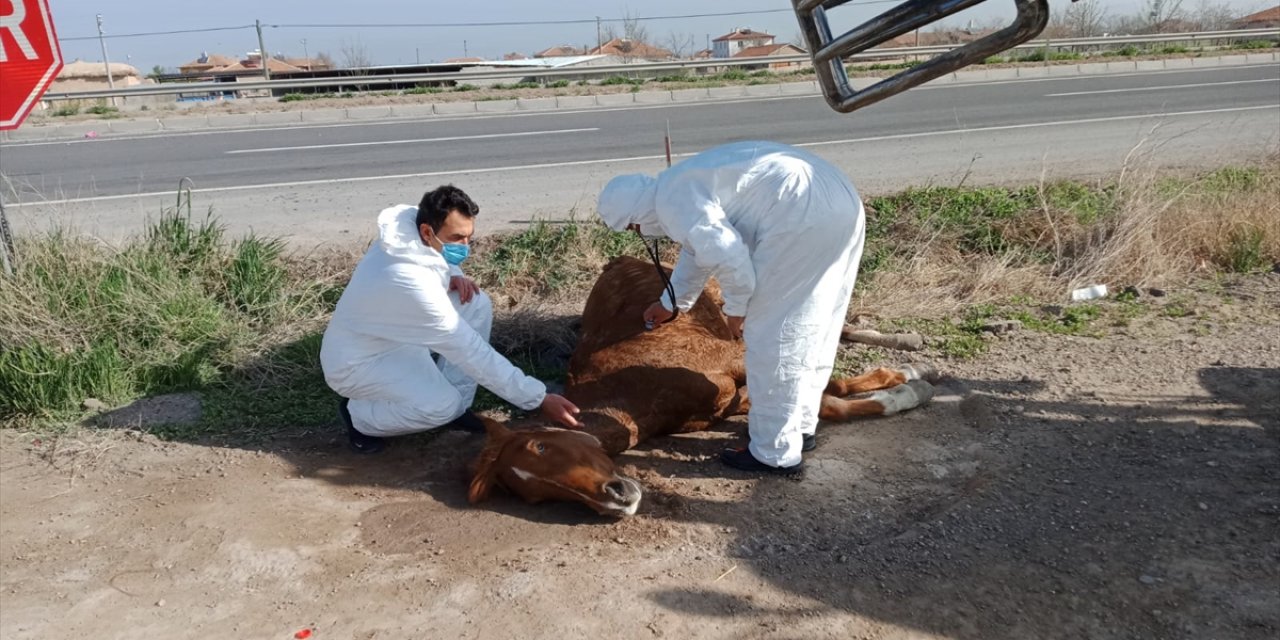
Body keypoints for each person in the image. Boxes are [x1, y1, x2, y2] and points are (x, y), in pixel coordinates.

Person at [596, 141, 865, 475]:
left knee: (774, 338)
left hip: (801, 213)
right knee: (816, 326)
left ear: (635, 215)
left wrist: (737, 309)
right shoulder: (678, 185)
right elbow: (698, 250)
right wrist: (671, 303)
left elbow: (727, 254)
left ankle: (773, 453)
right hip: (837, 200)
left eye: (633, 228)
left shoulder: (672, 201)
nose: (640, 233)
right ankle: (799, 427)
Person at [321, 185, 581, 453]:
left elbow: (430, 256)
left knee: (475, 303)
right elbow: (471, 352)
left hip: (394, 336)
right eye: (457, 238)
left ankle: (460, 407)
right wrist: (537, 398)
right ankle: (360, 417)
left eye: (469, 237)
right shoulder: (409, 282)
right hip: (359, 363)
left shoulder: (411, 225)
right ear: (427, 232)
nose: (465, 247)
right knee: (439, 407)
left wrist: (452, 270)